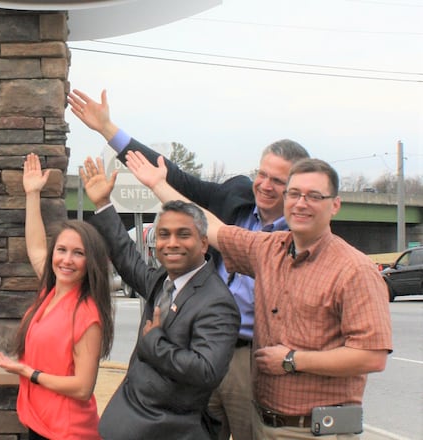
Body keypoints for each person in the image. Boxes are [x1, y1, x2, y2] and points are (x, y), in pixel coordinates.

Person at [68, 88, 309, 440]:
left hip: (247, 354)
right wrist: (109, 130)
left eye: (278, 180)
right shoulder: (236, 196)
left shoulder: (297, 236)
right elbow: (174, 178)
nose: (265, 185)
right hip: (190, 344)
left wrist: (155, 344)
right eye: (263, 173)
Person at [125, 152, 393, 439]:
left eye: (314, 196)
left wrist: (292, 360)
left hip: (316, 429)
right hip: (264, 422)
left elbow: (371, 356)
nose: (301, 203)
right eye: (294, 194)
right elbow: (211, 226)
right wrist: (158, 185)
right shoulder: (269, 248)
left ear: (335, 205)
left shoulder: (354, 269)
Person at [79, 157, 240, 440]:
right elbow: (127, 258)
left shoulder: (217, 302)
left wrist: (155, 343)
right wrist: (103, 204)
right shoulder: (162, 281)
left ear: (204, 243)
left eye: (183, 234)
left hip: (167, 429)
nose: (171, 243)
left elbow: (207, 371)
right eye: (164, 235)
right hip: (128, 418)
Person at [0, 153, 115, 440]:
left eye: (78, 253)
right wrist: (32, 194)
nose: (67, 260)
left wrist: (29, 372)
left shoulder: (87, 314)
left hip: (67, 432)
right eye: (61, 250)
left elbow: (83, 387)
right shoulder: (50, 293)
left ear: (90, 262)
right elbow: (36, 248)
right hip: (40, 424)